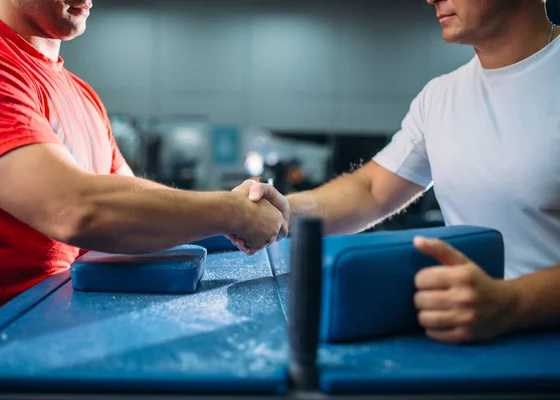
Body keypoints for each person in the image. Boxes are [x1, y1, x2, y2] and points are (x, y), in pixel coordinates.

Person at [235, 0, 560, 344]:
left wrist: (513, 302)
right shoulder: (441, 96)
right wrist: (285, 209)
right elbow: (372, 190)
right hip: (471, 333)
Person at [0, 0, 289, 331]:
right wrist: (234, 211)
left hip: (65, 336)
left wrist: (239, 203)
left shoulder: (83, 96)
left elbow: (134, 215)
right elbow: (76, 209)